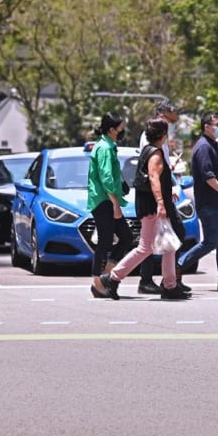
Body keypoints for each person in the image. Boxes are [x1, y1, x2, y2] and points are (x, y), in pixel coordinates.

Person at [92, 118, 189, 300]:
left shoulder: (147, 151)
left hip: (150, 205)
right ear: (163, 135)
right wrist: (160, 203)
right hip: (153, 207)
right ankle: (111, 279)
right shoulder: (156, 154)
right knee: (145, 248)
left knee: (169, 244)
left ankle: (170, 285)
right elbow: (153, 178)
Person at [177, 111, 218, 292]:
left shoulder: (212, 144)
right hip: (209, 203)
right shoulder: (203, 147)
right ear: (206, 127)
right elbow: (208, 176)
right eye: (217, 124)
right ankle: (179, 265)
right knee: (211, 241)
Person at [137, 99, 183, 294]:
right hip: (156, 196)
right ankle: (153, 280)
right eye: (173, 111)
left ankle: (169, 280)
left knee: (167, 237)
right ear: (163, 114)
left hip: (163, 192)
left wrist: (170, 176)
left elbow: (161, 166)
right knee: (149, 243)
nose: (176, 115)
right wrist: (162, 200)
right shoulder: (153, 137)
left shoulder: (161, 136)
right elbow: (154, 171)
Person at [86, 113, 134, 291]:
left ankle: (107, 273)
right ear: (112, 129)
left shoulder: (107, 146)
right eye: (121, 128)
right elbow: (106, 178)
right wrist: (115, 204)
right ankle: (98, 283)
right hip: (104, 200)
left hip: (106, 199)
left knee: (125, 237)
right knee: (105, 242)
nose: (123, 131)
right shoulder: (105, 148)